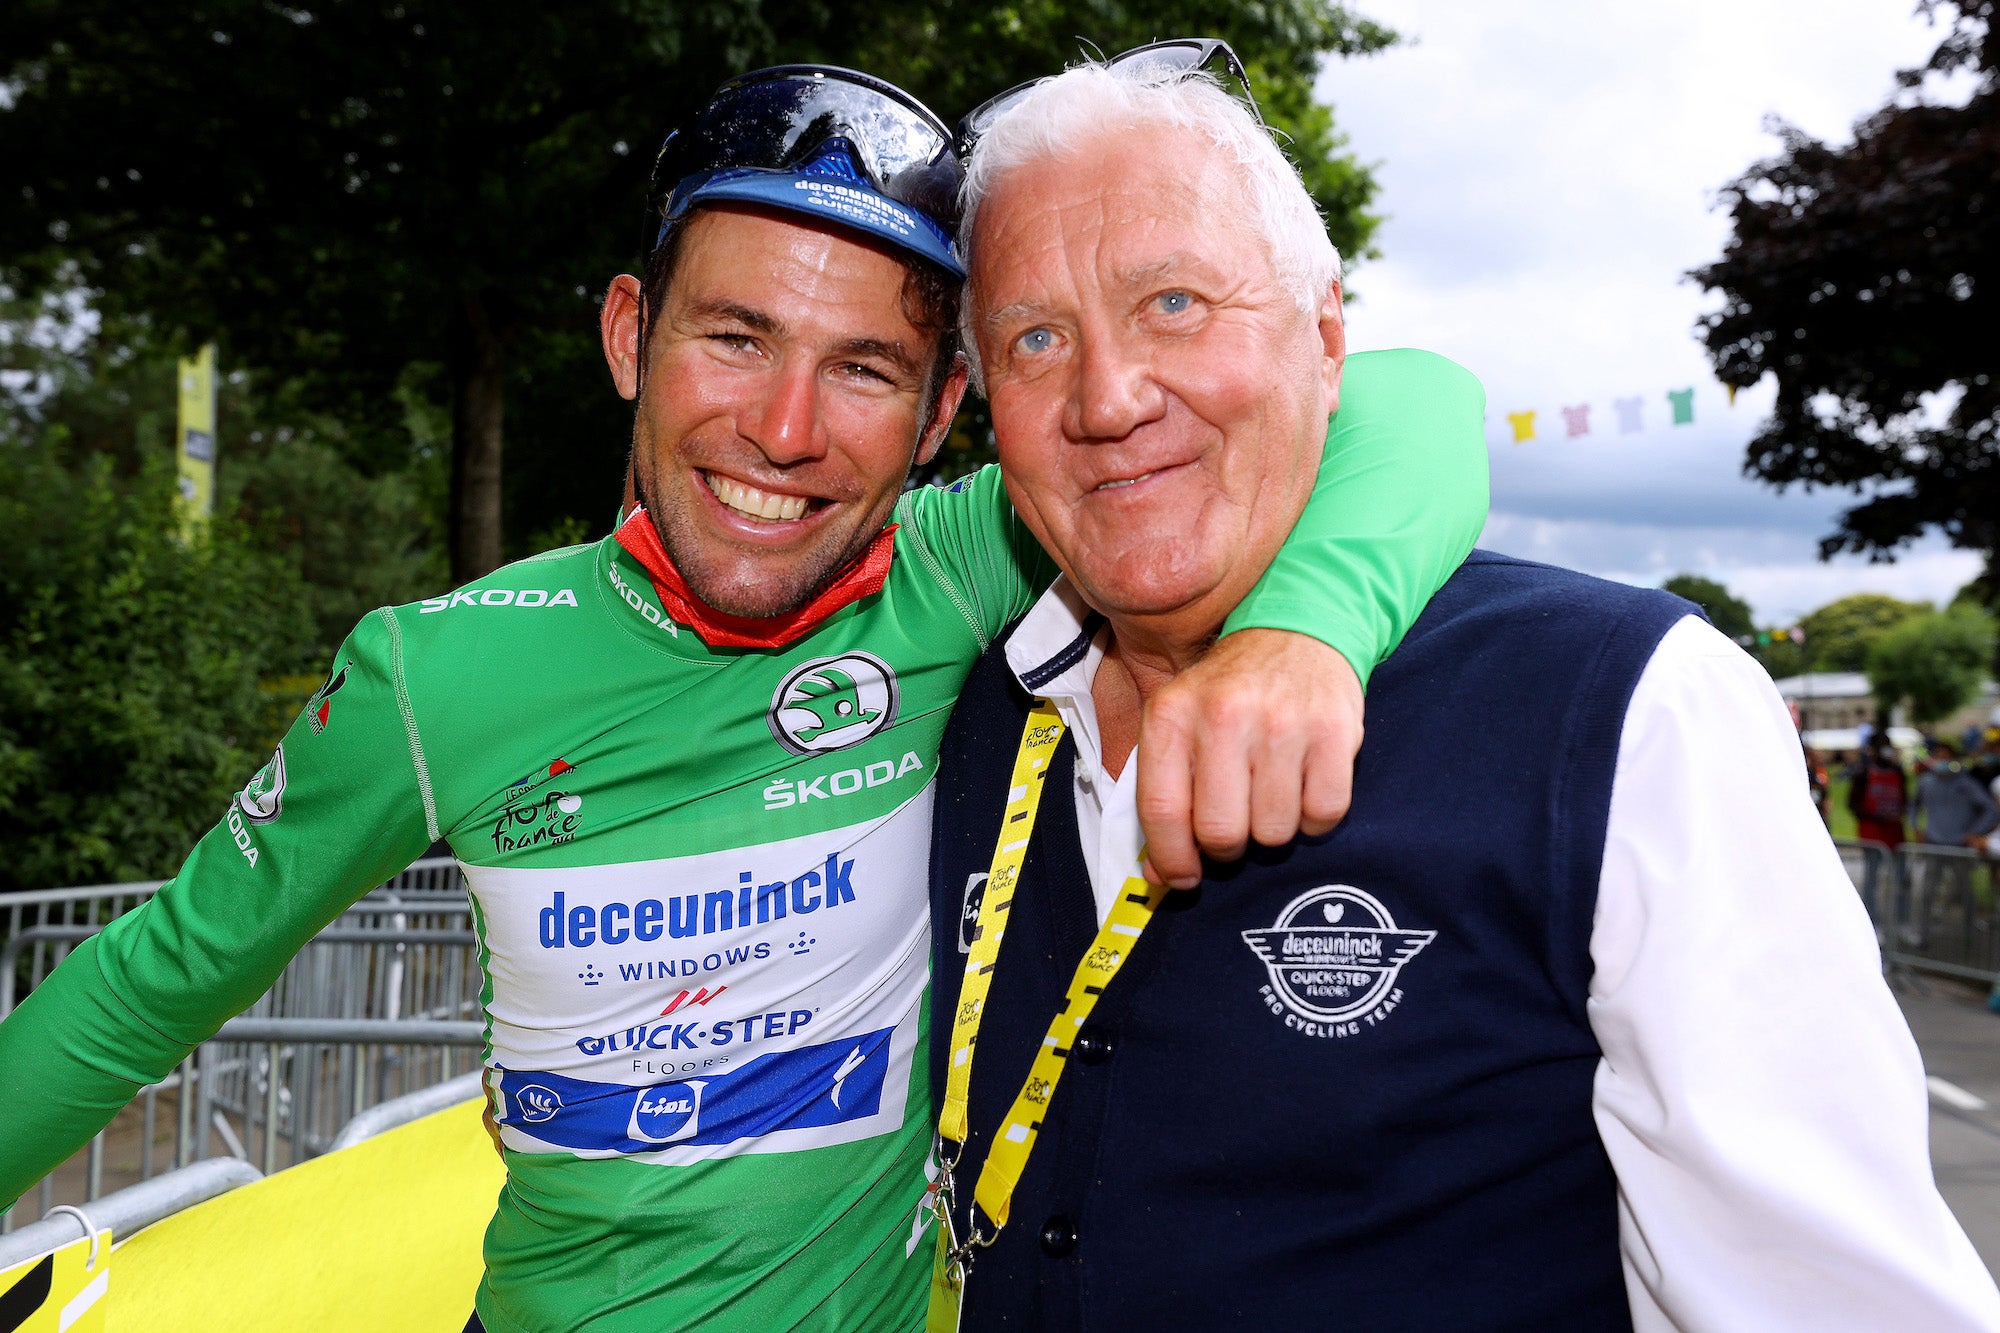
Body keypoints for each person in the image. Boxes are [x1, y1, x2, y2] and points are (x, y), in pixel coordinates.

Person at [0, 65, 1489, 1333]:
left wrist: (1303, 633)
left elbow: (1406, 395)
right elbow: (148, 981)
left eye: (863, 368)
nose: (782, 432)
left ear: (940, 416)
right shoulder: (435, 674)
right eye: (735, 338)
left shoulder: (960, 563)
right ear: (628, 337)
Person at [923, 50, 2000, 1331]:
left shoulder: (1631, 714)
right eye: (1035, 339)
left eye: (1173, 304)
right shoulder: (962, 703)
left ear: (1325, 340)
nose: (1106, 398)